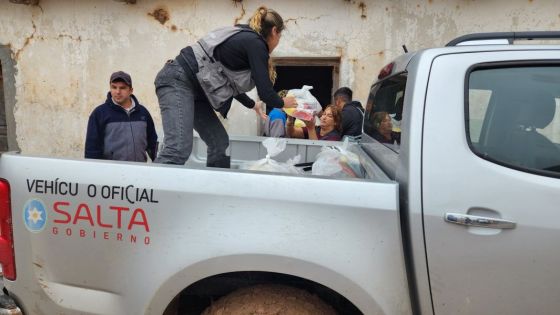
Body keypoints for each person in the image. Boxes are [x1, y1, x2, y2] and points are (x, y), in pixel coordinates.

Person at [153, 6, 297, 167]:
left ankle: (216, 188)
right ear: (275, 31)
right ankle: (149, 187)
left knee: (219, 143)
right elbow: (265, 93)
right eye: (280, 37)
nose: (277, 43)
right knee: (177, 149)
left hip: (197, 90)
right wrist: (284, 103)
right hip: (179, 80)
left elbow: (228, 84)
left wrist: (252, 104)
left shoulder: (244, 38)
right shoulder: (256, 44)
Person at [85, 71, 158, 162]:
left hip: (139, 171)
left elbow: (153, 144)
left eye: (122, 88)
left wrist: (159, 165)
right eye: (114, 87)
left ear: (131, 90)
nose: (117, 92)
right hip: (111, 172)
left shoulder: (143, 113)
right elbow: (92, 150)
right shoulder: (99, 114)